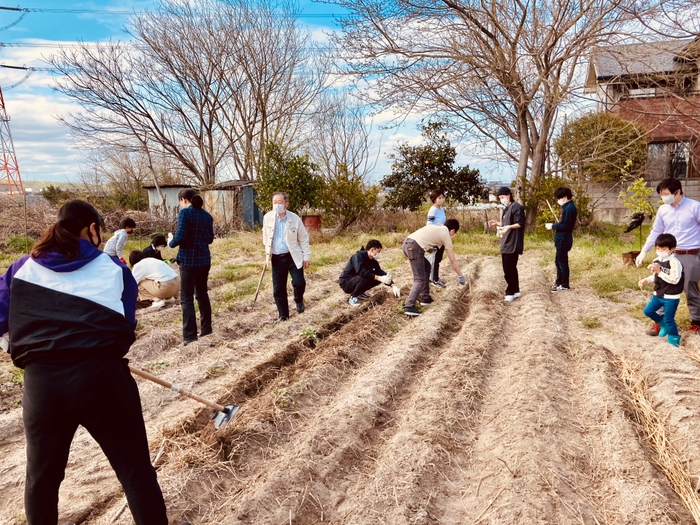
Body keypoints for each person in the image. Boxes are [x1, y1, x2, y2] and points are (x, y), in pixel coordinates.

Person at [0, 200, 168, 525]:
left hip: (42, 385)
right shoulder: (114, 269)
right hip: (102, 378)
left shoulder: (21, 268)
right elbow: (125, 326)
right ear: (92, 230)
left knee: (42, 480)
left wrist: (22, 348)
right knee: (135, 473)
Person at [636, 178, 700, 336]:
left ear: (677, 192)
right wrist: (644, 250)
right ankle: (660, 321)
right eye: (661, 195)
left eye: (665, 194)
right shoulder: (663, 210)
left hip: (690, 253)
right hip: (670, 255)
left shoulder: (695, 207)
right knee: (663, 286)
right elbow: (656, 231)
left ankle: (696, 322)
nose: (663, 198)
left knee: (689, 288)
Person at [167, 189, 214, 345]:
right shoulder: (207, 216)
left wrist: (170, 242)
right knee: (202, 295)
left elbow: (181, 236)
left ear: (183, 199)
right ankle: (206, 329)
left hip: (188, 261)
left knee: (186, 299)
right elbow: (209, 239)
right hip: (204, 261)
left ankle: (189, 336)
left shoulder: (185, 214)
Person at [262, 192, 311, 322]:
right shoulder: (267, 218)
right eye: (274, 202)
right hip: (277, 258)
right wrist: (267, 250)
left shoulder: (294, 219)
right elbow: (265, 236)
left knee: (299, 282)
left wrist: (306, 256)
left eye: (280, 202)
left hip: (293, 256)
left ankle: (298, 299)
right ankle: (283, 315)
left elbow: (304, 238)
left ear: (286, 204)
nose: (277, 205)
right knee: (278, 289)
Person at [402, 218, 466, 317]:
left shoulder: (438, 228)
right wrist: (460, 275)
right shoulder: (445, 235)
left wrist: (429, 249)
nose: (453, 235)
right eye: (454, 233)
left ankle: (425, 298)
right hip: (413, 248)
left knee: (427, 267)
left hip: (407, 243)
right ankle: (409, 306)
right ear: (452, 231)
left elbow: (423, 239)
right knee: (419, 279)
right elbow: (452, 260)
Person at [639, 233, 684, 347]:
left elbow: (675, 280)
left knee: (669, 318)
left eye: (663, 249)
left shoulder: (675, 263)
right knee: (648, 311)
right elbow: (655, 276)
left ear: (672, 249)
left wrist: (660, 272)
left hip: (671, 297)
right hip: (658, 294)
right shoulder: (657, 260)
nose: (660, 251)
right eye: (658, 248)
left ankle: (674, 337)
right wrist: (647, 280)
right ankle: (662, 324)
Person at [488, 186, 525, 302]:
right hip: (506, 241)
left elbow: (520, 223)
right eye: (500, 198)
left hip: (512, 242)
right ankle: (516, 290)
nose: (501, 199)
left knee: (508, 268)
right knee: (511, 268)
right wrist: (497, 223)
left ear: (509, 195)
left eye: (503, 197)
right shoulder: (507, 208)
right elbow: (506, 223)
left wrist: (508, 227)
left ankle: (510, 291)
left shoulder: (517, 207)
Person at [339, 240, 399, 306]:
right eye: (378, 252)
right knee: (368, 277)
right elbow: (362, 272)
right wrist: (379, 278)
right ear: (372, 249)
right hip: (346, 282)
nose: (379, 254)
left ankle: (360, 292)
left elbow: (380, 273)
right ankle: (353, 297)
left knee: (378, 278)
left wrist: (393, 285)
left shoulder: (373, 262)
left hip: (356, 280)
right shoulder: (358, 257)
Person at [545, 187, 577, 292]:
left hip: (564, 239)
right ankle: (559, 282)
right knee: (558, 261)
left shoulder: (569, 208)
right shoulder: (567, 208)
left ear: (565, 197)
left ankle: (564, 284)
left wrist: (553, 226)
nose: (558, 201)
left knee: (562, 262)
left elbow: (566, 226)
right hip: (561, 238)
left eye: (559, 198)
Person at [426, 190, 447, 288]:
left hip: (441, 237)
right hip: (434, 237)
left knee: (438, 259)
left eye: (442, 197)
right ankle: (433, 279)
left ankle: (436, 277)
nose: (441, 200)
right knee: (434, 259)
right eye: (439, 198)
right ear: (434, 199)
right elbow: (429, 224)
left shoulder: (441, 209)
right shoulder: (433, 210)